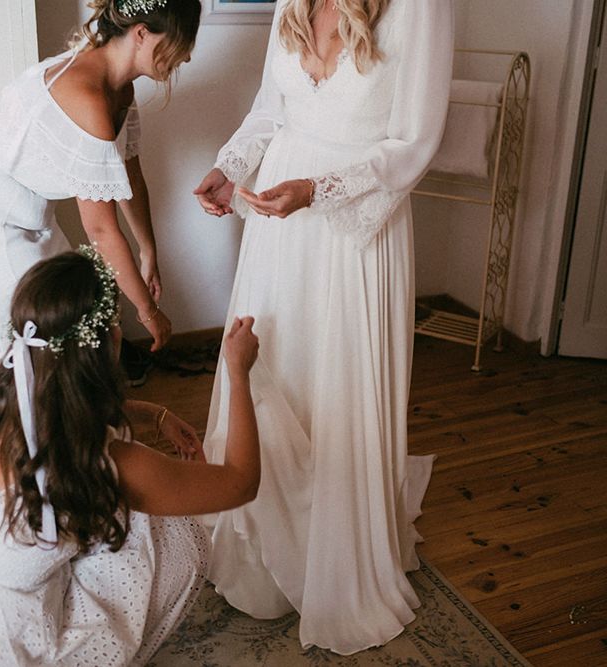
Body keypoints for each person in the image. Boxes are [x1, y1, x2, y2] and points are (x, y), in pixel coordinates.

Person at [194, 0, 453, 654]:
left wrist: (320, 190)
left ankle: (334, 557)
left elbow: (416, 139)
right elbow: (270, 106)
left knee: (334, 384)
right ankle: (262, 552)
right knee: (274, 367)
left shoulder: (420, 8)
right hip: (278, 226)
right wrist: (230, 167)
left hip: (352, 227)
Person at [0, 247, 261, 666]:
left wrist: (153, 414)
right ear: (109, 339)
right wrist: (237, 371)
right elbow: (240, 481)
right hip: (1, 648)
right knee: (172, 532)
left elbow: (53, 409)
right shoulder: (106, 465)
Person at [0, 0, 201, 385]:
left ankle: (63, 438)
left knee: (68, 330)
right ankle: (2, 442)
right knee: (18, 357)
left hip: (30, 213)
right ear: (141, 33)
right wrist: (148, 313)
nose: (186, 57)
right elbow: (102, 233)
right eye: (180, 43)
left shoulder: (120, 89)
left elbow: (129, 175)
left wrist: (148, 249)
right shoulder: (88, 97)